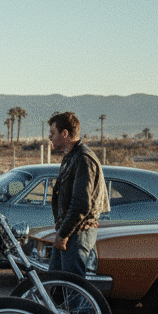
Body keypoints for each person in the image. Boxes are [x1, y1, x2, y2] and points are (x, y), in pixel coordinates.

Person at [48, 112, 110, 277]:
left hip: (77, 233)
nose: (49, 137)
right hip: (69, 232)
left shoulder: (83, 158)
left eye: (53, 133)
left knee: (74, 289)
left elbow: (81, 204)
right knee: (56, 284)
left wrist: (63, 235)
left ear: (65, 133)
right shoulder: (71, 157)